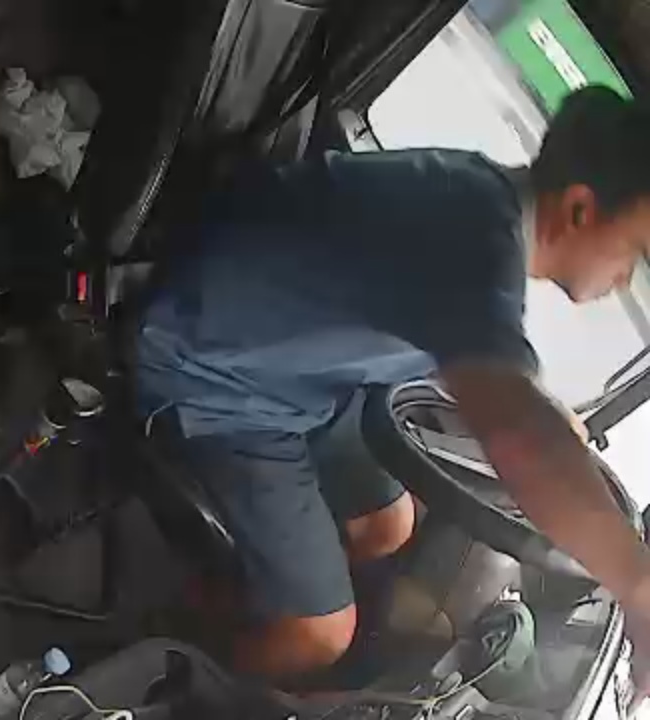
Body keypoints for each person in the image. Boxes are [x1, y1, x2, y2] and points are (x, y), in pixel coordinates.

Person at [134, 85, 650, 681]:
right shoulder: (474, 238)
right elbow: (518, 437)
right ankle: (170, 669)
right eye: (637, 252)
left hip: (303, 379)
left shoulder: (482, 201)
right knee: (322, 637)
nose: (627, 277)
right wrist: (639, 587)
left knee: (387, 526)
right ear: (580, 210)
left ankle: (239, 596)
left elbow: (477, 363)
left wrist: (542, 410)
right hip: (218, 373)